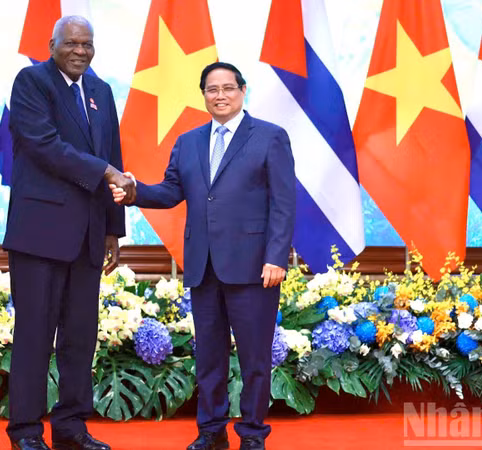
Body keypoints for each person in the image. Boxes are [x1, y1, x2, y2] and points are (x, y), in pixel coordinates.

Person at [113, 62, 295, 450]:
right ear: (204, 95)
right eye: (212, 90)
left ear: (243, 91)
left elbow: (283, 203)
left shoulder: (270, 137)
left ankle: (252, 434)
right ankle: (211, 432)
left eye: (228, 88)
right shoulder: (189, 142)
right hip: (203, 266)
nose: (221, 96)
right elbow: (169, 192)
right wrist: (134, 191)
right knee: (209, 357)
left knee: (254, 360)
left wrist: (276, 257)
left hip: (254, 269)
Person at [3, 15, 134, 450]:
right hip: (40, 234)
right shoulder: (31, 82)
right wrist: (106, 171)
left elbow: (112, 152)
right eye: (72, 43)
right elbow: (44, 145)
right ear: (52, 43)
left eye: (87, 44)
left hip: (88, 236)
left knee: (80, 336)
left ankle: (71, 427)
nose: (80, 51)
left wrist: (114, 230)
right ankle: (25, 430)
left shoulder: (100, 91)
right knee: (35, 336)